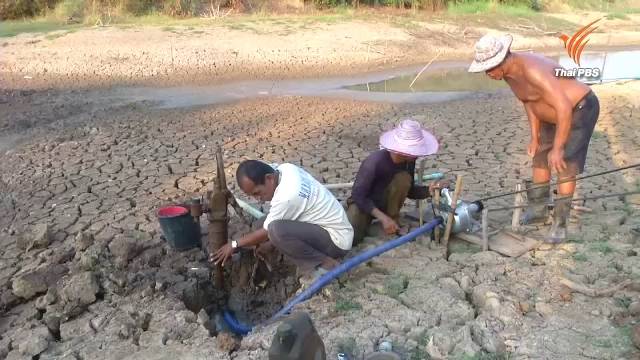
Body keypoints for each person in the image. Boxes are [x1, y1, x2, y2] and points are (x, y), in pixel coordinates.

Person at [468, 33, 600, 243]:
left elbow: (564, 107)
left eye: (488, 69)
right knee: (540, 158)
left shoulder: (533, 70)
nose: (487, 74)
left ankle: (560, 224)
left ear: (501, 61)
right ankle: (538, 210)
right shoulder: (509, 75)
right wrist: (535, 137)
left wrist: (558, 148)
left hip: (578, 109)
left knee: (563, 164)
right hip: (550, 114)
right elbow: (529, 102)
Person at [209, 160, 353, 283]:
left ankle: (326, 264)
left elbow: (268, 231)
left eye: (257, 193)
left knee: (275, 230)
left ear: (269, 178)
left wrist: (234, 244)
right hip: (321, 226)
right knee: (260, 224)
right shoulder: (285, 169)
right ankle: (273, 257)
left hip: (337, 240)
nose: (257, 199)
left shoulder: (287, 197)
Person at [346, 119, 443, 245]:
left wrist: (428, 191)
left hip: (385, 203)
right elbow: (358, 196)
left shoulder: (409, 161)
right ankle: (381, 221)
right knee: (350, 239)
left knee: (403, 178)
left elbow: (409, 190)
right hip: (364, 205)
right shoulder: (374, 162)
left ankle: (392, 219)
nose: (417, 154)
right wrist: (382, 218)